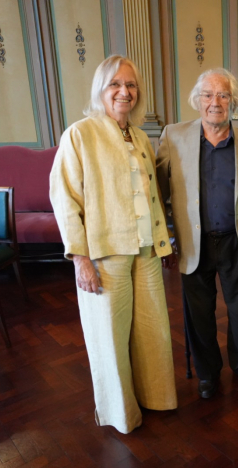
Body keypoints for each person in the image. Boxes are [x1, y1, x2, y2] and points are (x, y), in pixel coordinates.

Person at [49, 55, 177, 434]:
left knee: (153, 330)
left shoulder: (139, 137)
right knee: (109, 336)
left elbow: (150, 195)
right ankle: (121, 412)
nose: (125, 92)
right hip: (105, 254)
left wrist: (162, 240)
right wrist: (79, 259)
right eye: (116, 85)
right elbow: (64, 198)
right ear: (101, 90)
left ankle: (155, 397)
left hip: (146, 250)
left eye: (131, 85)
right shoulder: (80, 134)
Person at [156, 68, 238, 399]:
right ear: (197, 100)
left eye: (223, 95)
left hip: (237, 244)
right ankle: (207, 373)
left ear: (233, 102)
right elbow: (157, 194)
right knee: (199, 312)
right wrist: (165, 240)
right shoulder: (174, 137)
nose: (215, 102)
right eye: (208, 95)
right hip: (193, 244)